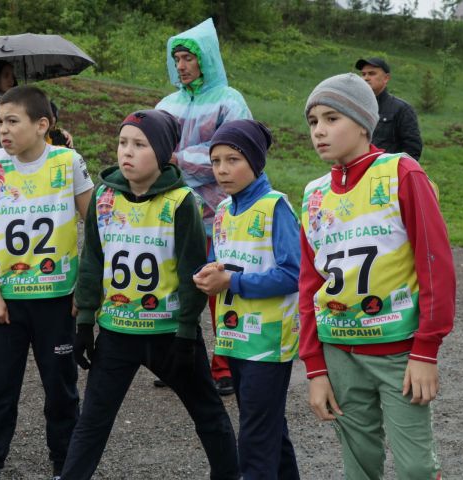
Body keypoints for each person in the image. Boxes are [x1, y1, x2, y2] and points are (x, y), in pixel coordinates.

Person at [63, 109, 240, 480]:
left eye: (139, 145)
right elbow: (93, 260)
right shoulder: (103, 199)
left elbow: (194, 271)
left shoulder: (181, 202)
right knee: (92, 421)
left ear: (161, 154)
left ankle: (229, 474)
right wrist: (83, 321)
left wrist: (187, 333)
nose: (127, 152)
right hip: (116, 332)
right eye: (123, 143)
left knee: (207, 413)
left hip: (170, 334)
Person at [301, 73, 455, 479]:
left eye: (332, 118)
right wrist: (315, 368)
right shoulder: (314, 194)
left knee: (416, 468)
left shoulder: (402, 173)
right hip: (339, 352)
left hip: (399, 352)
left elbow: (434, 263)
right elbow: (308, 286)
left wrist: (426, 350)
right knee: (359, 467)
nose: (319, 130)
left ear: (363, 122)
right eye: (313, 121)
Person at [0, 85, 93, 480]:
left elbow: (95, 226)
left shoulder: (67, 161)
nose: (3, 130)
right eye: (0, 121)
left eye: (13, 121)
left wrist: (86, 288)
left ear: (42, 125)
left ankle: (65, 465)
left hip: (56, 300)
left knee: (60, 390)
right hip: (5, 302)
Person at [193, 119, 301, 479]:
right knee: (269, 429)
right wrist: (210, 273)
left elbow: (292, 274)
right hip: (235, 338)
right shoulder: (222, 211)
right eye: (216, 161)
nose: (222, 170)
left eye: (233, 160)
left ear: (255, 161)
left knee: (255, 439)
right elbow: (224, 262)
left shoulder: (276, 207)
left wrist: (233, 282)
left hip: (269, 342)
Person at [156, 18, 252, 394]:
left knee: (221, 288)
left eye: (187, 58)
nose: (180, 65)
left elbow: (236, 152)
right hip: (176, 209)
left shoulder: (230, 101)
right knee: (179, 283)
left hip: (220, 211)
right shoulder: (168, 104)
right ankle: (179, 359)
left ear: (205, 60)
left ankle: (224, 365)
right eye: (176, 58)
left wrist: (182, 160)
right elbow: (156, 150)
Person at [0, 60, 72, 161]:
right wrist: (21, 131)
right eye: (6, 76)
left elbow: (32, 121)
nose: (11, 80)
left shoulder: (17, 101)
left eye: (12, 75)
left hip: (13, 155)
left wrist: (55, 131)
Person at [355, 57, 423, 160]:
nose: (366, 78)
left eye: (372, 73)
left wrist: (396, 171)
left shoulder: (402, 109)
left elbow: (412, 149)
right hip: (358, 171)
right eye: (363, 74)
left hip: (386, 173)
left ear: (386, 78)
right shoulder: (356, 107)